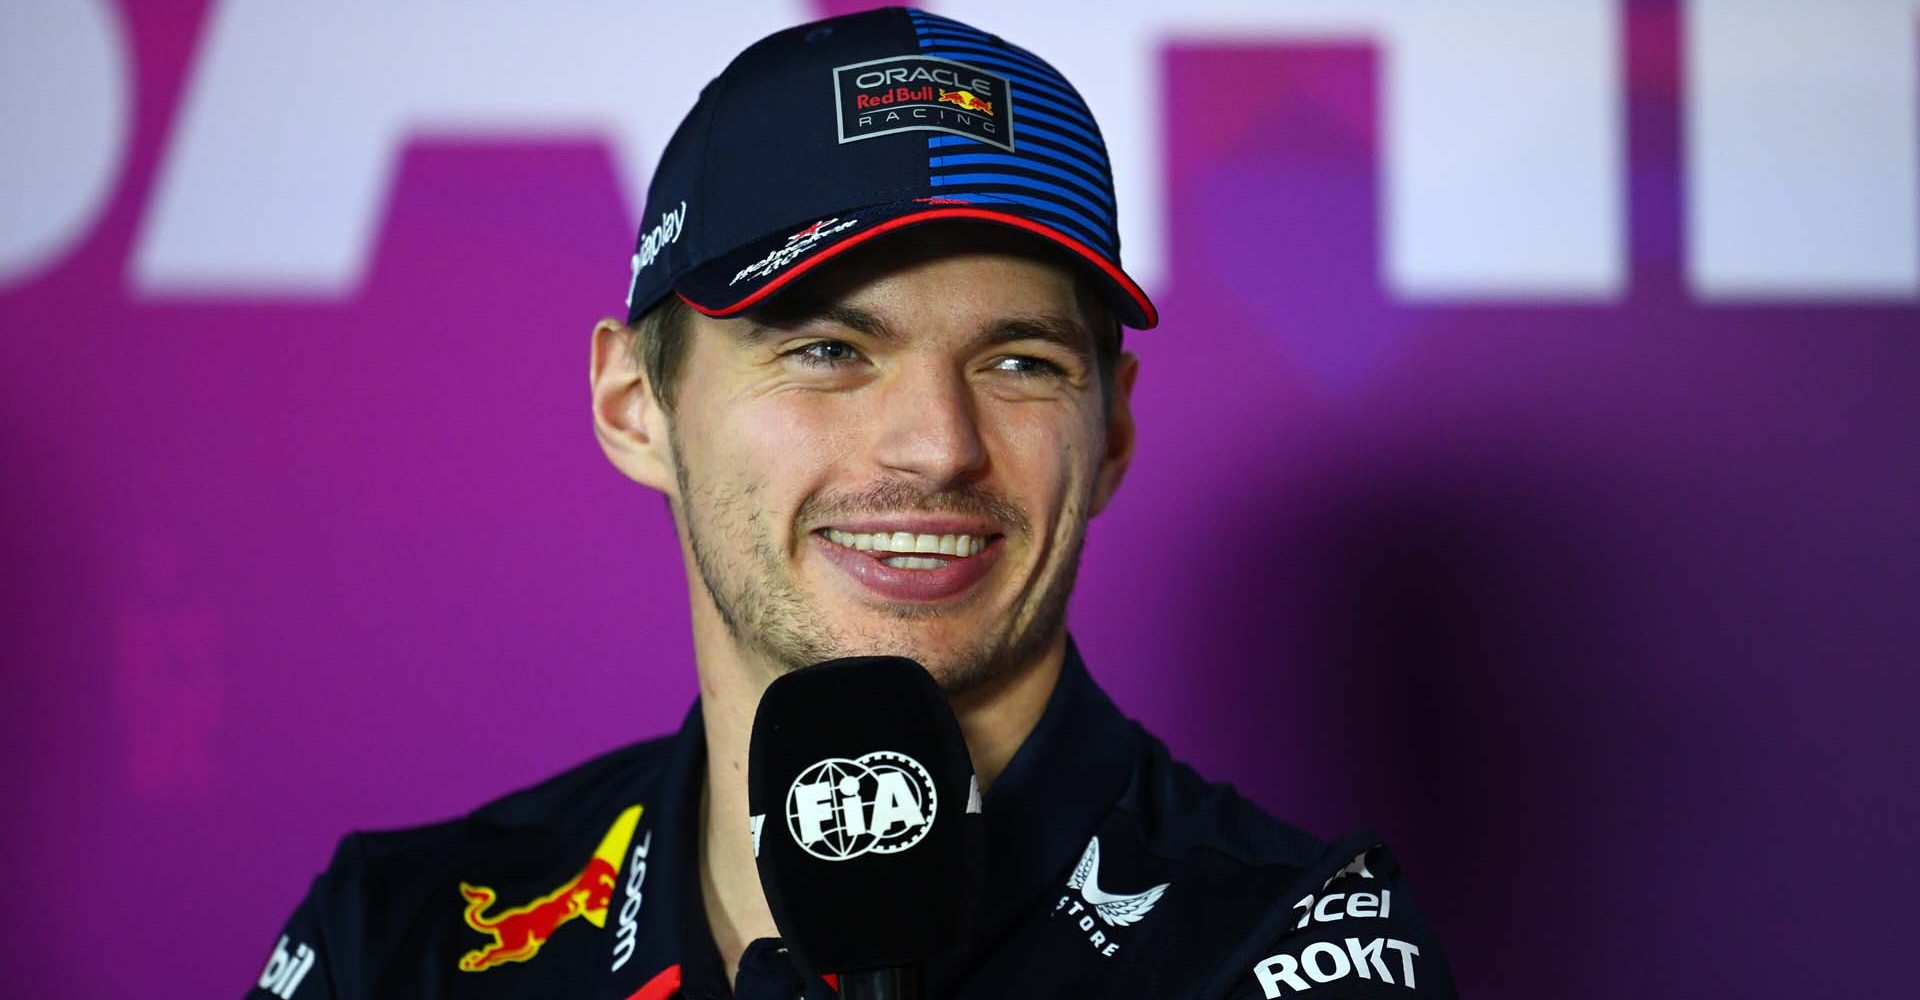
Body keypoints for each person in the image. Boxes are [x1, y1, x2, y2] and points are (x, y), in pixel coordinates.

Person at [246, 8, 1455, 999]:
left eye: (1021, 361)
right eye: (827, 349)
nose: (937, 448)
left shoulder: (1288, 955)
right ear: (634, 404)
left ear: (1114, 428)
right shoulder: (400, 940)